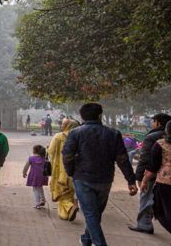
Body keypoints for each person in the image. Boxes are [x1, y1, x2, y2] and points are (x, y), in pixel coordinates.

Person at [63, 102, 138, 246]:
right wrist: (131, 180)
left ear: (82, 116)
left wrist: (71, 172)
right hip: (105, 179)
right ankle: (86, 239)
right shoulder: (113, 134)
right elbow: (122, 159)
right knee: (95, 213)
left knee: (92, 214)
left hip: (83, 178)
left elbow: (67, 156)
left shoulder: (75, 133)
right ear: (100, 115)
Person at [131, 112, 171, 235]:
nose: (152, 124)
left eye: (153, 121)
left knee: (148, 200)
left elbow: (146, 159)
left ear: (158, 123)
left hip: (159, 178)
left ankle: (144, 224)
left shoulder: (155, 139)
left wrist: (141, 177)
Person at [48, 117, 81, 221]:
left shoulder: (58, 137)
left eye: (63, 124)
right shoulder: (81, 138)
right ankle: (66, 213)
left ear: (67, 126)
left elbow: (51, 151)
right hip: (77, 173)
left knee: (62, 194)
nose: (61, 126)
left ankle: (71, 207)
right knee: (70, 193)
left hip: (62, 172)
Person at [23, 144, 48, 208]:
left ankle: (37, 203)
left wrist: (24, 172)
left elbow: (26, 166)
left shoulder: (31, 158)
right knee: (40, 187)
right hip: (42, 176)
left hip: (34, 176)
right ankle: (42, 199)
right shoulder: (44, 159)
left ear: (34, 151)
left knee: (35, 189)